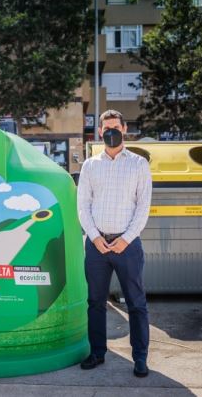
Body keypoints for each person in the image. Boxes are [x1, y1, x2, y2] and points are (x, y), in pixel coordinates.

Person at [77, 110, 152, 378]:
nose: (111, 132)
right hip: (97, 246)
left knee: (136, 303)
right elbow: (83, 206)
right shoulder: (90, 166)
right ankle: (97, 353)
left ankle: (140, 358)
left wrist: (126, 239)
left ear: (124, 129)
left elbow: (143, 208)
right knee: (95, 302)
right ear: (99, 132)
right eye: (106, 128)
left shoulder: (138, 165)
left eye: (115, 127)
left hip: (128, 246)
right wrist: (95, 238)